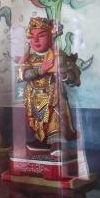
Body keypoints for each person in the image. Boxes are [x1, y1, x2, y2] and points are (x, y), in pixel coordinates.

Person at [17, 17, 80, 154]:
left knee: (55, 117)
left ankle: (57, 142)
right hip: (34, 96)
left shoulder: (59, 56)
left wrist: (64, 76)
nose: (36, 40)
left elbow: (74, 75)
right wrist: (41, 70)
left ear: (51, 37)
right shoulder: (29, 58)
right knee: (36, 120)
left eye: (41, 36)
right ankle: (41, 141)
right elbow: (22, 75)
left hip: (53, 95)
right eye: (32, 37)